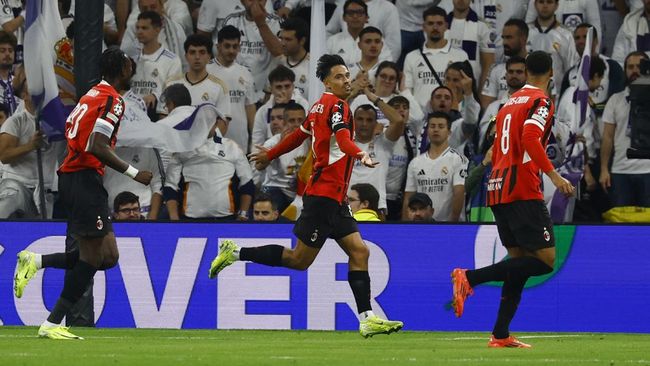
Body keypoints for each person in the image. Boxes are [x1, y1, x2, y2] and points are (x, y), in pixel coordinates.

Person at [215, 54, 403, 338]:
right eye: (339, 76)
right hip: (323, 196)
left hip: (335, 198)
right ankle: (236, 252)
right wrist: (360, 153)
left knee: (359, 251)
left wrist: (270, 153)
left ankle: (366, 318)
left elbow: (297, 136)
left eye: (347, 75)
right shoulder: (337, 106)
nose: (346, 80)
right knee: (298, 260)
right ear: (327, 81)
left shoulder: (318, 106)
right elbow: (342, 140)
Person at [13, 47, 153, 340]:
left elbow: (78, 136)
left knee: (108, 256)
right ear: (121, 69)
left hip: (77, 177)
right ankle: (52, 323)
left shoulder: (90, 95)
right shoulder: (113, 100)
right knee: (90, 259)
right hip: (83, 179)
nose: (132, 69)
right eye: (129, 65)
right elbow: (97, 145)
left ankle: (36, 261)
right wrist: (134, 173)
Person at [451, 51, 575, 348]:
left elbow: (499, 143)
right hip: (522, 188)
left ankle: (501, 333)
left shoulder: (508, 104)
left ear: (527, 71)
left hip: (498, 187)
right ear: (551, 74)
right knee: (544, 261)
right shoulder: (540, 101)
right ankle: (469, 277)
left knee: (519, 263)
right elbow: (531, 137)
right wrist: (555, 177)